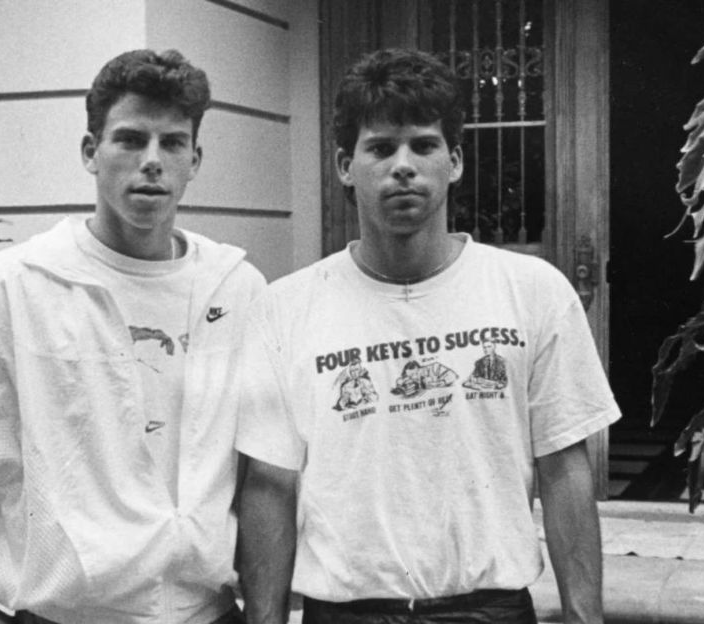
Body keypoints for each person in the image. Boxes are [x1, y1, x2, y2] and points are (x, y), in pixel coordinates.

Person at [0, 49, 265, 624]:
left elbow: (266, 475)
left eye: (172, 143)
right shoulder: (14, 289)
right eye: (130, 140)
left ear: (195, 159)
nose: (151, 161)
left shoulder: (235, 290)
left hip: (206, 613)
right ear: (91, 151)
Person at [235, 48, 620, 624]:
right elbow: (271, 486)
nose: (403, 166)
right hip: (347, 612)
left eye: (423, 144)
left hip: (489, 608)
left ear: (456, 160)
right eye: (381, 147)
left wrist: (585, 618)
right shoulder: (286, 308)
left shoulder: (531, 291)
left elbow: (564, 468)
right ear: (346, 165)